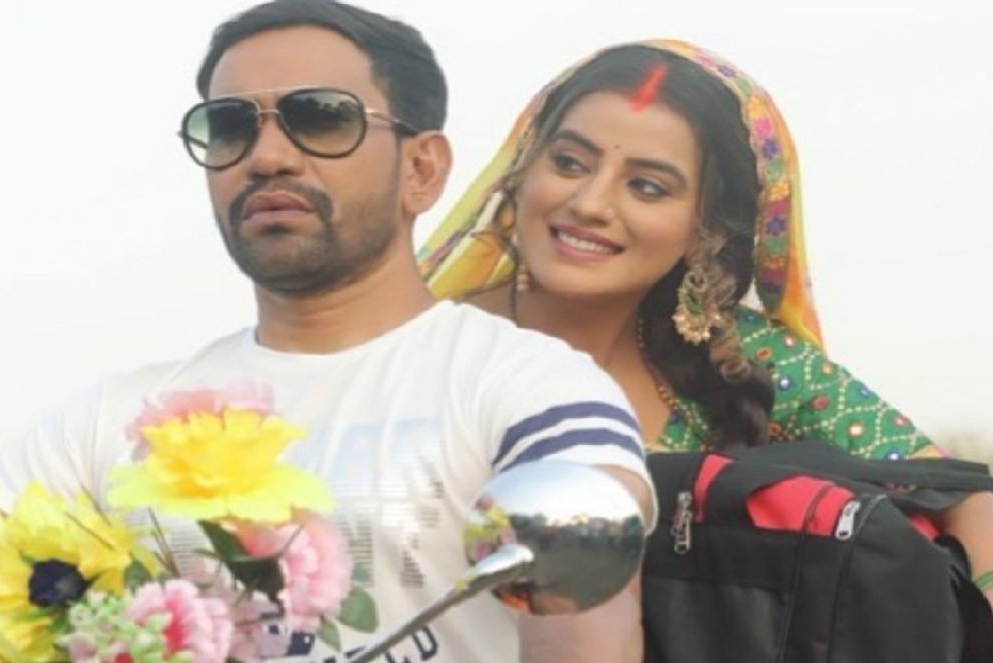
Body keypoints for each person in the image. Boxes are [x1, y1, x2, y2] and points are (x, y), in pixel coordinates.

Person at [0, 0, 656, 663]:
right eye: (230, 127)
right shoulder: (108, 422)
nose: (267, 157)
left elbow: (586, 588)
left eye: (321, 118)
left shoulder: (525, 382)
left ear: (421, 169)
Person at [420, 40, 993, 603]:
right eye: (569, 163)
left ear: (707, 229)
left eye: (647, 187)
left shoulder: (733, 358)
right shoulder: (425, 349)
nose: (591, 203)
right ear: (522, 170)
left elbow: (959, 494)